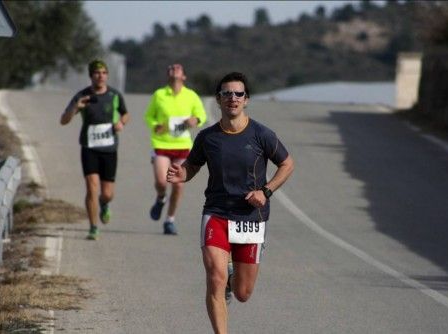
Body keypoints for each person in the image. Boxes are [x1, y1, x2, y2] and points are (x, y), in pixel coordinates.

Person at [167, 72, 294, 333]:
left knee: (243, 293)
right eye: (227, 94)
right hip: (216, 214)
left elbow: (287, 164)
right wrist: (183, 174)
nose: (232, 98)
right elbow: (192, 165)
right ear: (218, 99)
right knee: (215, 277)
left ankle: (231, 280)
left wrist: (266, 191)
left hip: (251, 218)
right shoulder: (207, 137)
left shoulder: (262, 135)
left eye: (238, 94)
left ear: (246, 100)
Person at [60, 59, 129, 240]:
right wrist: (76, 107)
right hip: (89, 147)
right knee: (91, 188)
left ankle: (104, 204)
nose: (101, 76)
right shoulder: (82, 96)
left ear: (107, 75)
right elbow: (64, 120)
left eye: (104, 73)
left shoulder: (114, 95)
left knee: (107, 193)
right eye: (97, 73)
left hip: (109, 149)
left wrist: (121, 123)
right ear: (91, 76)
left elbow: (126, 113)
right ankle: (93, 227)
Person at [144, 63, 207, 235]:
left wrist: (196, 120)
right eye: (171, 68)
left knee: (178, 184)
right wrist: (155, 124)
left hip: (182, 146)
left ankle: (170, 220)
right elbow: (149, 115)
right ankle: (161, 197)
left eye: (178, 68)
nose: (174, 69)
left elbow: (201, 114)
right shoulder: (159, 95)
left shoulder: (191, 95)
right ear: (168, 74)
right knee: (161, 182)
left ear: (184, 76)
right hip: (162, 144)